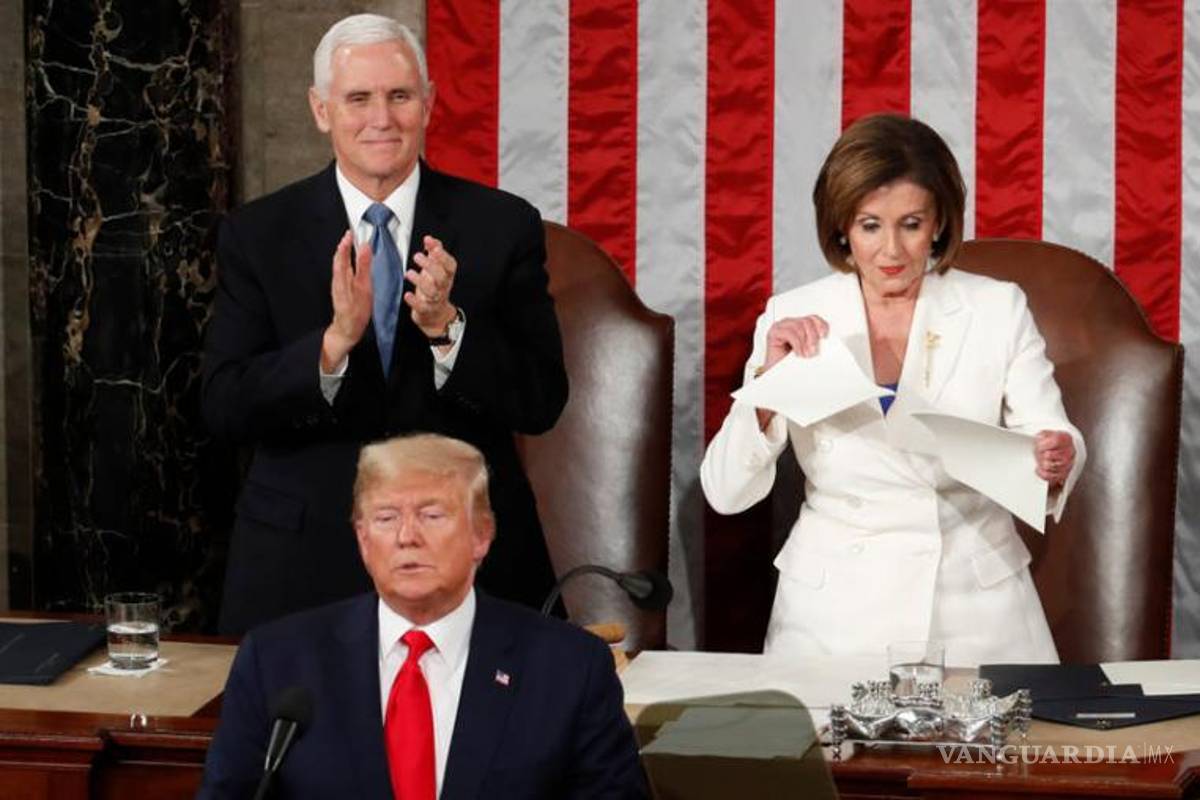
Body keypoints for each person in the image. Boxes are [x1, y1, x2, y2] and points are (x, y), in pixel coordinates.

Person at [202, 14, 568, 634]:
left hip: (472, 565)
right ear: (321, 110)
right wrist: (331, 347)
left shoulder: (501, 226)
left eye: (400, 96)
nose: (382, 117)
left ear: (429, 104)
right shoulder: (257, 235)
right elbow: (223, 406)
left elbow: (541, 400)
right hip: (301, 565)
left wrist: (449, 328)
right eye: (358, 98)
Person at [700, 113, 1085, 666]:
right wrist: (767, 387)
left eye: (910, 223)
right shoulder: (793, 315)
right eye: (869, 225)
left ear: (939, 224)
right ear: (841, 228)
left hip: (977, 608)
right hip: (833, 615)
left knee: (999, 755)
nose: (892, 251)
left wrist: (1056, 457)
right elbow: (725, 491)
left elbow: (1052, 434)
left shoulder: (997, 306)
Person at [199, 434, 648, 799]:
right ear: (361, 539)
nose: (406, 536)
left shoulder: (569, 668)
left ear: (481, 535)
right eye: (385, 517)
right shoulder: (278, 662)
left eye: (432, 514)